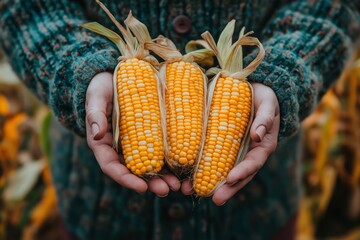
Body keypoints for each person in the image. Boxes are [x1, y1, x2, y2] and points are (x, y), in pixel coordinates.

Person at [0, 0, 359, 239]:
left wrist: (284, 76)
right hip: (98, 214)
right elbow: (26, 8)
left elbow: (331, 7)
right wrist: (79, 72)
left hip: (258, 216)